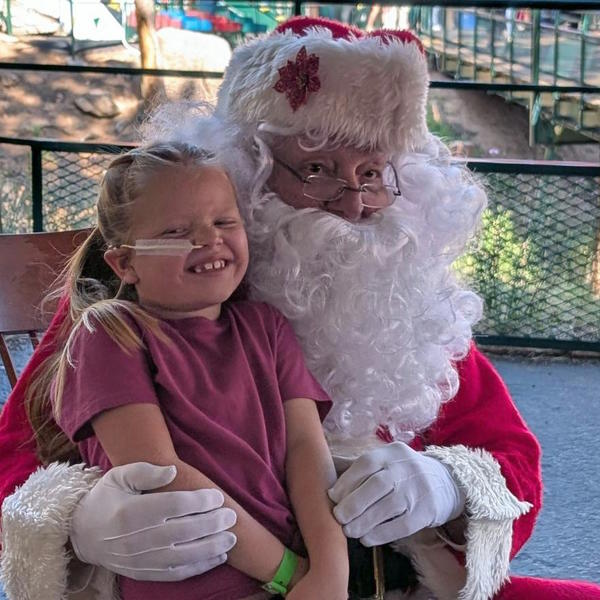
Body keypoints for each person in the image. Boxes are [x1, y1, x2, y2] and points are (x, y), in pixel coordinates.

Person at [2, 15, 600, 600]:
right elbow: (13, 466)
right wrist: (78, 525)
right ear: (246, 173)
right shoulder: (133, 303)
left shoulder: (405, 303)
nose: (354, 203)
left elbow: (512, 457)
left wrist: (448, 487)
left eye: (371, 173)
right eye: (316, 170)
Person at [48, 139, 347, 600]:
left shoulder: (266, 327)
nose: (209, 240)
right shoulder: (110, 333)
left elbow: (308, 448)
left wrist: (330, 570)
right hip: (195, 584)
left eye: (224, 221)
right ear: (125, 262)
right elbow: (161, 473)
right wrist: (290, 572)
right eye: (174, 232)